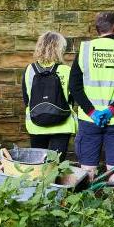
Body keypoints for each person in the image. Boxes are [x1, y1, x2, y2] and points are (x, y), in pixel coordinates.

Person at [69, 12, 114, 184]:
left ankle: (84, 206)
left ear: (97, 29)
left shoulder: (85, 50)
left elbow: (74, 86)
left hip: (89, 120)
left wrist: (92, 112)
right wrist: (111, 110)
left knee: (87, 168)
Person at [22, 31, 76, 162]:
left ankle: (41, 183)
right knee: (56, 165)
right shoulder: (66, 70)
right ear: (59, 48)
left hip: (36, 123)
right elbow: (72, 98)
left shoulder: (29, 69)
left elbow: (26, 98)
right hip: (62, 124)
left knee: (39, 164)